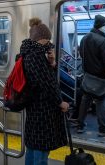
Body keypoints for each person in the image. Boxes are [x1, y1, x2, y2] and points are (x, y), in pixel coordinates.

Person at [20, 17, 69, 165]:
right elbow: (47, 83)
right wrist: (60, 102)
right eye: (48, 40)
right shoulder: (35, 56)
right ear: (42, 39)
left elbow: (42, 79)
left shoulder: (28, 53)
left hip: (34, 108)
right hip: (43, 111)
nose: (49, 44)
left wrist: (52, 62)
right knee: (41, 150)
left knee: (33, 146)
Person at [77, 15, 105, 137]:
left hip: (88, 76)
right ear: (102, 26)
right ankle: (103, 129)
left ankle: (80, 126)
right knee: (101, 104)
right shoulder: (102, 41)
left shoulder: (84, 38)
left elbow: (82, 56)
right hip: (100, 78)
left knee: (85, 101)